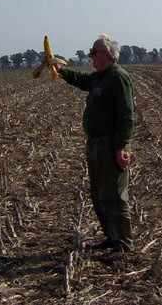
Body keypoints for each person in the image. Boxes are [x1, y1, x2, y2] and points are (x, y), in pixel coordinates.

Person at [52, 34, 134, 253]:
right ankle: (111, 238)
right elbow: (81, 80)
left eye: (93, 52)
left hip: (110, 145)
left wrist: (121, 148)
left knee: (114, 196)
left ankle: (123, 244)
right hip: (95, 144)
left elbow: (126, 116)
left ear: (107, 55)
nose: (90, 56)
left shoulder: (118, 78)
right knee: (98, 194)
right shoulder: (100, 77)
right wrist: (60, 69)